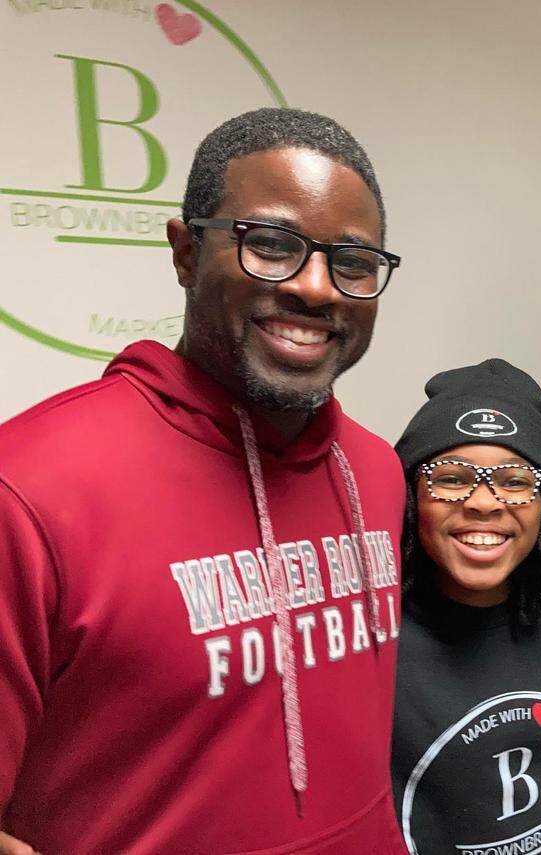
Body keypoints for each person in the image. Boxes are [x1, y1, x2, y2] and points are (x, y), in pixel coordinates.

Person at [0, 108, 408, 853]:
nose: (317, 288)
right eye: (273, 245)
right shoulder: (30, 492)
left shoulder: (376, 471)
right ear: (186, 252)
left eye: (352, 262)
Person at [390, 358, 541, 854]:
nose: (485, 502)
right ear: (414, 496)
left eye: (515, 480)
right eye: (454, 478)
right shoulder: (371, 639)